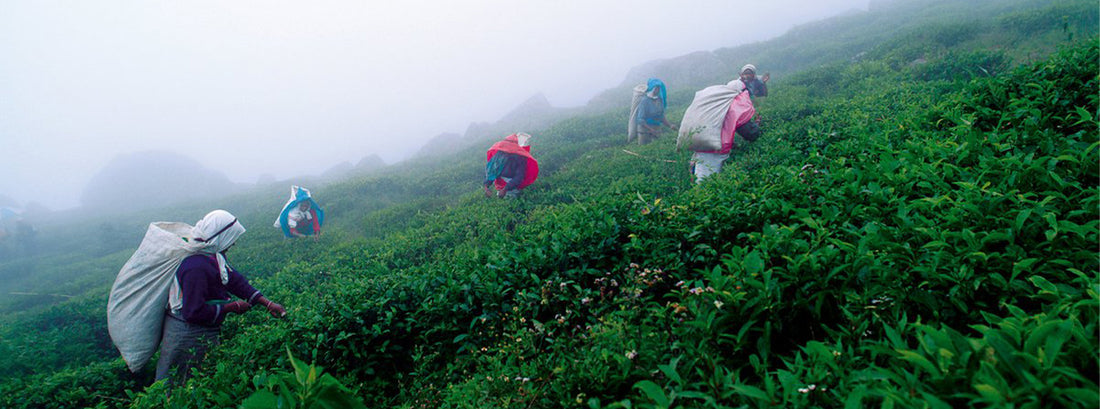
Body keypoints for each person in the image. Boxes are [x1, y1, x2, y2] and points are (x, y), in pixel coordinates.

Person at [156, 210, 287, 387]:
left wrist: (268, 303)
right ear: (220, 236)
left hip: (204, 328)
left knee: (202, 382)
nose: (233, 244)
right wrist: (231, 307)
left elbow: (234, 281)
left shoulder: (212, 254)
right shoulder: (196, 266)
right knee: (178, 385)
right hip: (186, 334)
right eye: (231, 239)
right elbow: (192, 311)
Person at [690, 80, 763, 183]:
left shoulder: (716, 102)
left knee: (701, 179)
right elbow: (749, 133)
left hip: (700, 145)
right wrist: (756, 126)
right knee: (707, 184)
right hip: (715, 150)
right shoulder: (736, 104)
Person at [484, 133, 539, 199]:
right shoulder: (499, 156)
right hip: (500, 188)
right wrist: (486, 187)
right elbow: (493, 172)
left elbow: (519, 177)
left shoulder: (520, 158)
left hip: (512, 189)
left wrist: (505, 189)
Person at [633, 79, 677, 144]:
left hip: (656, 129)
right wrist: (651, 130)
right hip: (644, 132)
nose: (657, 90)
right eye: (656, 88)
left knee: (657, 148)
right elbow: (640, 119)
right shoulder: (644, 101)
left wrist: (670, 125)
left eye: (659, 88)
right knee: (645, 150)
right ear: (652, 88)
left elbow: (661, 116)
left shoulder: (659, 100)